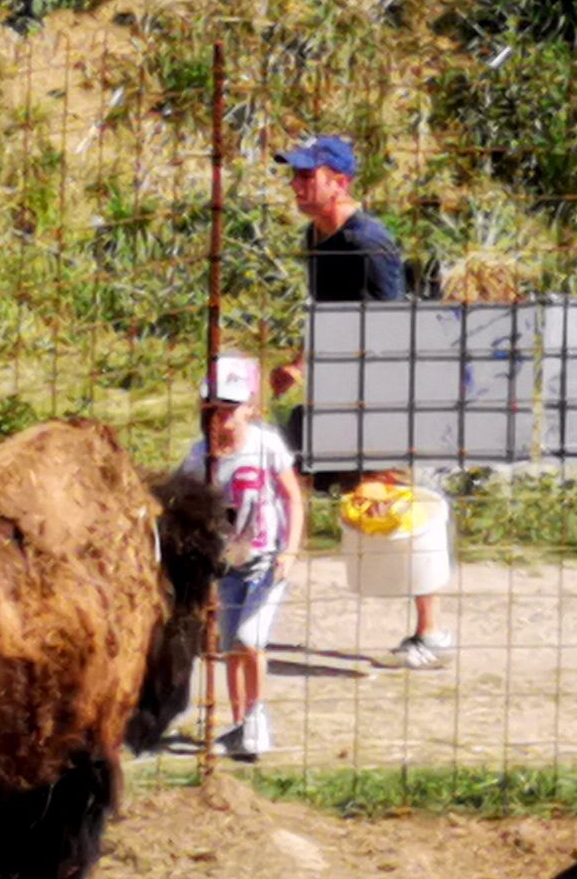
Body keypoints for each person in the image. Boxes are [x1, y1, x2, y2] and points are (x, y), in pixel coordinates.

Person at [271, 132, 453, 670]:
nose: (297, 185)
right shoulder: (316, 235)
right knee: (283, 471)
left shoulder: (366, 240)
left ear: (341, 182)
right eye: (296, 174)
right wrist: (301, 366)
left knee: (393, 498)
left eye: (308, 175)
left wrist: (372, 404)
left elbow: (391, 326)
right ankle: (240, 603)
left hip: (377, 394)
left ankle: (430, 633)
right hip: (335, 389)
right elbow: (326, 311)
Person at [178, 350, 304, 760]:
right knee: (231, 645)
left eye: (231, 409)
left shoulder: (266, 444)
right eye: (214, 409)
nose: (223, 418)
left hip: (268, 560)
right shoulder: (200, 457)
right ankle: (237, 725)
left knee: (252, 640)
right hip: (228, 564)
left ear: (250, 409)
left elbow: (292, 497)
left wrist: (290, 550)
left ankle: (256, 719)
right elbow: (181, 503)